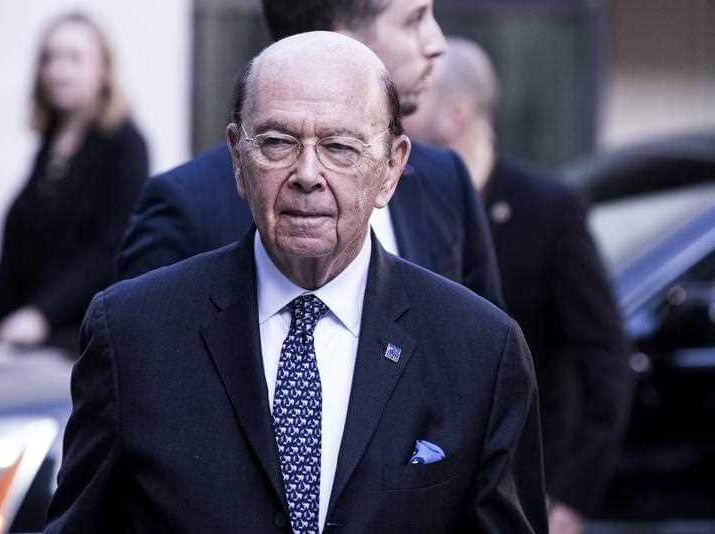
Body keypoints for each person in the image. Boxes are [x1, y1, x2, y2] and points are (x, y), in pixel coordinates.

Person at [45, 32, 547, 533]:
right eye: (277, 143)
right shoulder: (134, 335)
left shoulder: (479, 352)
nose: (308, 174)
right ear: (237, 158)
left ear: (392, 168)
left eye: (340, 147)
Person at [116, 0, 504, 309]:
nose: (436, 43)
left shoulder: (444, 180)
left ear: (392, 166)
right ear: (335, 36)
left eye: (341, 148)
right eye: (413, 20)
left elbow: (477, 353)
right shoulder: (187, 206)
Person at [405, 37, 631, 534]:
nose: (399, 115)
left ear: (457, 114)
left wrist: (572, 500)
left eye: (416, 101)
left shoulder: (548, 208)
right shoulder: (401, 201)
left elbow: (606, 362)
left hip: (528, 483)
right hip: (424, 486)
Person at [0, 12, 149, 355]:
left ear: (103, 70)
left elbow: (111, 248)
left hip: (83, 344)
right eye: (50, 58)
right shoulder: (49, 146)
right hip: (25, 342)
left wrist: (41, 316)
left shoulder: (125, 145)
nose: (59, 71)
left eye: (74, 58)